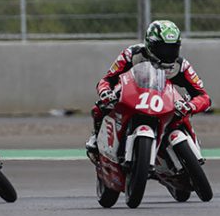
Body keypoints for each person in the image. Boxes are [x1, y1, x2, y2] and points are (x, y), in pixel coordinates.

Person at [86, 19, 211, 154]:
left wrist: (190, 106)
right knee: (100, 107)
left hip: (166, 101)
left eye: (172, 48)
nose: (167, 53)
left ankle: (193, 147)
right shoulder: (131, 55)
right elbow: (107, 79)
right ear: (149, 45)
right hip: (134, 96)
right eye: (162, 48)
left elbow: (203, 97)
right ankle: (96, 137)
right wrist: (105, 92)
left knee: (182, 115)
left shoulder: (181, 66)